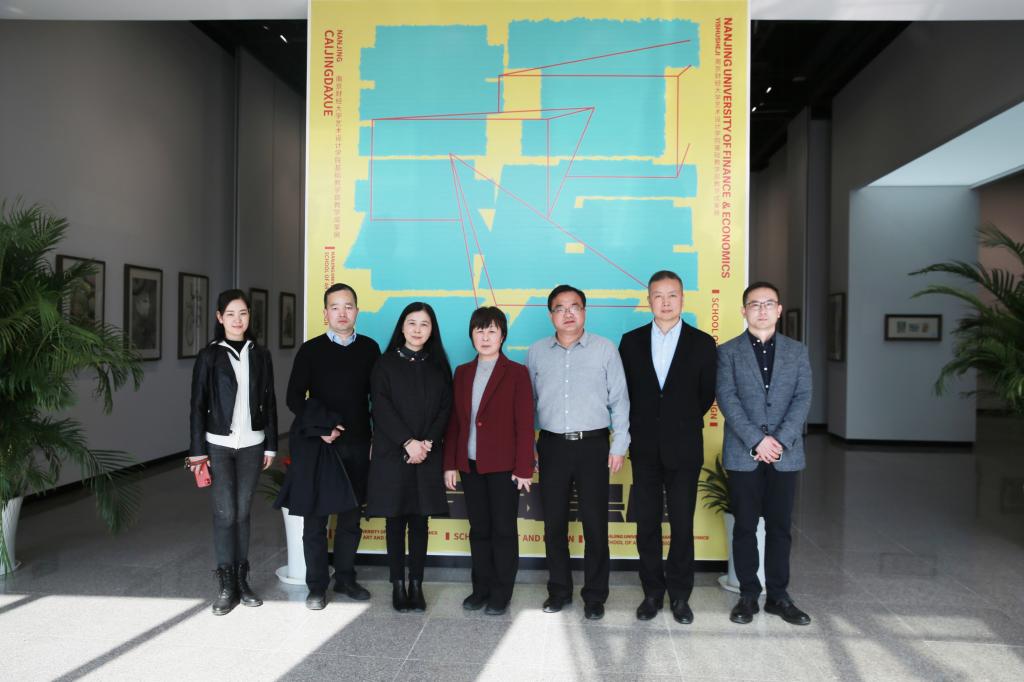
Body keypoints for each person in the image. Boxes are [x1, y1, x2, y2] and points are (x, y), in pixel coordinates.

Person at [618, 270, 717, 624]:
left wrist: (676, 422)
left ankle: (679, 595)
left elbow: (705, 395)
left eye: (672, 295)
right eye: (658, 296)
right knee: (646, 524)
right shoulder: (630, 342)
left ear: (682, 299)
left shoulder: (702, 343)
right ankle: (652, 593)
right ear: (649, 300)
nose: (665, 302)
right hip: (644, 447)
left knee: (681, 524)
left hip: (684, 447)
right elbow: (624, 394)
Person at [527, 284, 630, 621]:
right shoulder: (537, 352)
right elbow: (527, 405)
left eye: (574, 306)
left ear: (584, 311)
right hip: (552, 445)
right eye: (560, 308)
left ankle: (595, 595)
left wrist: (619, 444)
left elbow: (620, 400)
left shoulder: (605, 349)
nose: (568, 313)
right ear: (551, 315)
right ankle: (558, 590)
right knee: (554, 524)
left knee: (595, 524)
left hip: (593, 446)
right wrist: (528, 447)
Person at [716, 281, 812, 626]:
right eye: (754, 304)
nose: (762, 309)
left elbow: (802, 398)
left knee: (780, 527)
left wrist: (779, 441)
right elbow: (727, 399)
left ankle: (778, 596)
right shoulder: (728, 352)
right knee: (744, 526)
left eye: (769, 303)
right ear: (743, 311)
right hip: (744, 452)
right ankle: (747, 595)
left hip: (786, 454)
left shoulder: (797, 351)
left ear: (779, 310)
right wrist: (757, 440)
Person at [283, 283, 381, 610]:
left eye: (348, 306)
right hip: (319, 446)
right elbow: (294, 398)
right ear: (325, 313)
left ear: (357, 311)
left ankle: (346, 578)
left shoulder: (369, 348)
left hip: (357, 444)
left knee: (351, 519)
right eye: (335, 307)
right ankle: (316, 586)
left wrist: (376, 439)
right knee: (316, 521)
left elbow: (379, 398)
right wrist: (323, 427)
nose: (342, 313)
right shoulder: (310, 350)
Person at [187, 289, 278, 615]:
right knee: (225, 513)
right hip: (218, 445)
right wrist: (197, 451)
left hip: (253, 444)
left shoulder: (260, 354)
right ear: (219, 317)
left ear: (249, 316)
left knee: (242, 513)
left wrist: (271, 444)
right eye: (231, 314)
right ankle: (226, 585)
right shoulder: (209, 356)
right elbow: (197, 405)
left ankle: (242, 580)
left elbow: (269, 400)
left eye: (243, 313)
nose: (238, 320)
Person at [443, 307, 534, 616]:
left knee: (503, 531)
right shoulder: (462, 372)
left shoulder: (516, 372)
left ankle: (501, 593)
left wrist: (524, 467)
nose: (485, 337)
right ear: (471, 335)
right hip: (470, 465)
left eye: (492, 331)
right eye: (479, 331)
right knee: (479, 529)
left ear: (502, 336)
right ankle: (480, 589)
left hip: (504, 467)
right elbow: (454, 422)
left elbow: (525, 423)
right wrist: (450, 463)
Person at [366, 302, 452, 613]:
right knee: (395, 520)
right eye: (412, 323)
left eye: (424, 324)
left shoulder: (439, 366)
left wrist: (426, 443)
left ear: (432, 330)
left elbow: (446, 408)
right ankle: (397, 585)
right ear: (402, 327)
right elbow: (381, 407)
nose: (417, 329)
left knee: (420, 521)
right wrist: (407, 443)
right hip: (393, 453)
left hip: (427, 453)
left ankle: (416, 584)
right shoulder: (385, 364)